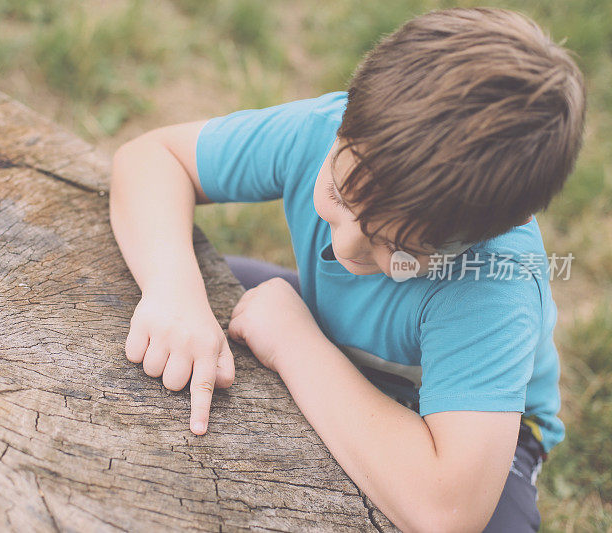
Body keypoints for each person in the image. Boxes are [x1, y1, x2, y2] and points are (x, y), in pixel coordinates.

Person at [108, 7, 585, 532]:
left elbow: (447, 509)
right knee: (196, 275)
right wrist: (174, 292)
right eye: (338, 192)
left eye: (396, 244)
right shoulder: (323, 131)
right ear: (349, 116)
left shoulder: (493, 280)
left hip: (481, 426)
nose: (346, 246)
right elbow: (152, 158)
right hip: (334, 327)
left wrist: (296, 346)